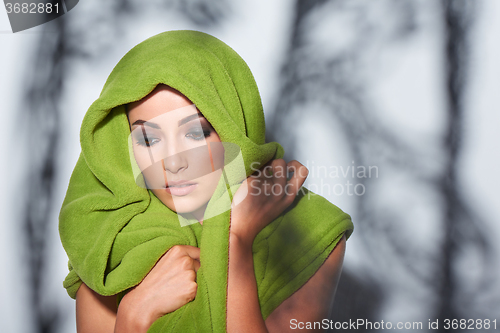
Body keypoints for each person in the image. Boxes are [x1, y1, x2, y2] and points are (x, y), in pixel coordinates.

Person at [59, 30, 354, 333]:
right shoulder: (111, 247)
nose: (173, 162)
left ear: (236, 129)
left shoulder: (311, 229)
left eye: (196, 133)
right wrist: (134, 314)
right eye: (149, 139)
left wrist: (235, 239)